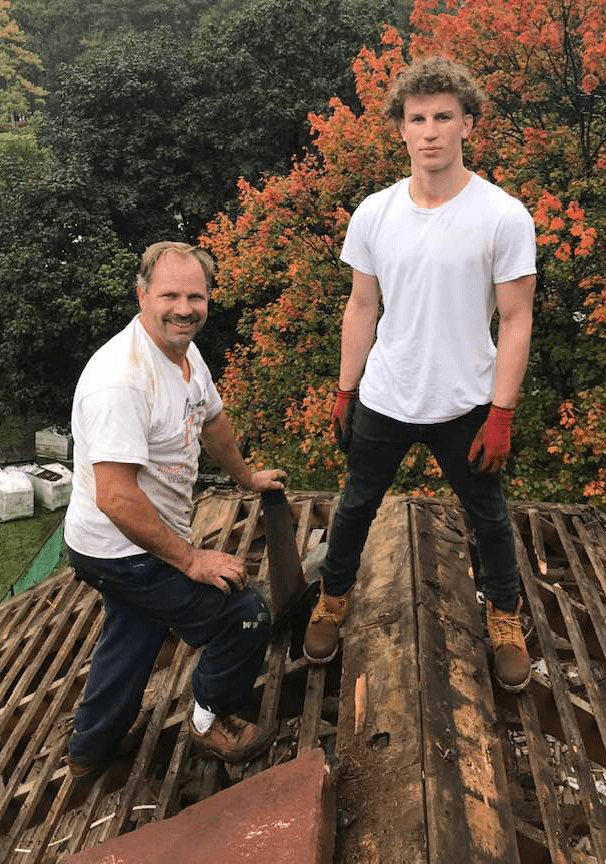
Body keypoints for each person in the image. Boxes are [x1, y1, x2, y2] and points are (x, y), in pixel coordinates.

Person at [303, 57, 536, 692]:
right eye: (417, 119)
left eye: (442, 117)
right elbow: (361, 305)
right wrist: (346, 388)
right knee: (354, 508)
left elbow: (516, 319)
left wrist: (502, 411)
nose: (429, 131)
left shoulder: (503, 216)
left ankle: (506, 617)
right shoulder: (375, 214)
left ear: (467, 124)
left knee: (488, 517)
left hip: (465, 402)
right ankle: (332, 600)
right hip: (386, 393)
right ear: (401, 130)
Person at [64, 241, 286, 775]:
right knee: (245, 614)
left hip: (124, 540)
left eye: (196, 296)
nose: (183, 308)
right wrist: (190, 560)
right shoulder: (121, 379)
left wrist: (247, 477)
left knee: (134, 635)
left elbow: (211, 421)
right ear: (142, 295)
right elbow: (114, 497)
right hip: (119, 547)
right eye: (169, 295)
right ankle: (211, 721)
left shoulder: (181, 351)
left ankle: (89, 752)